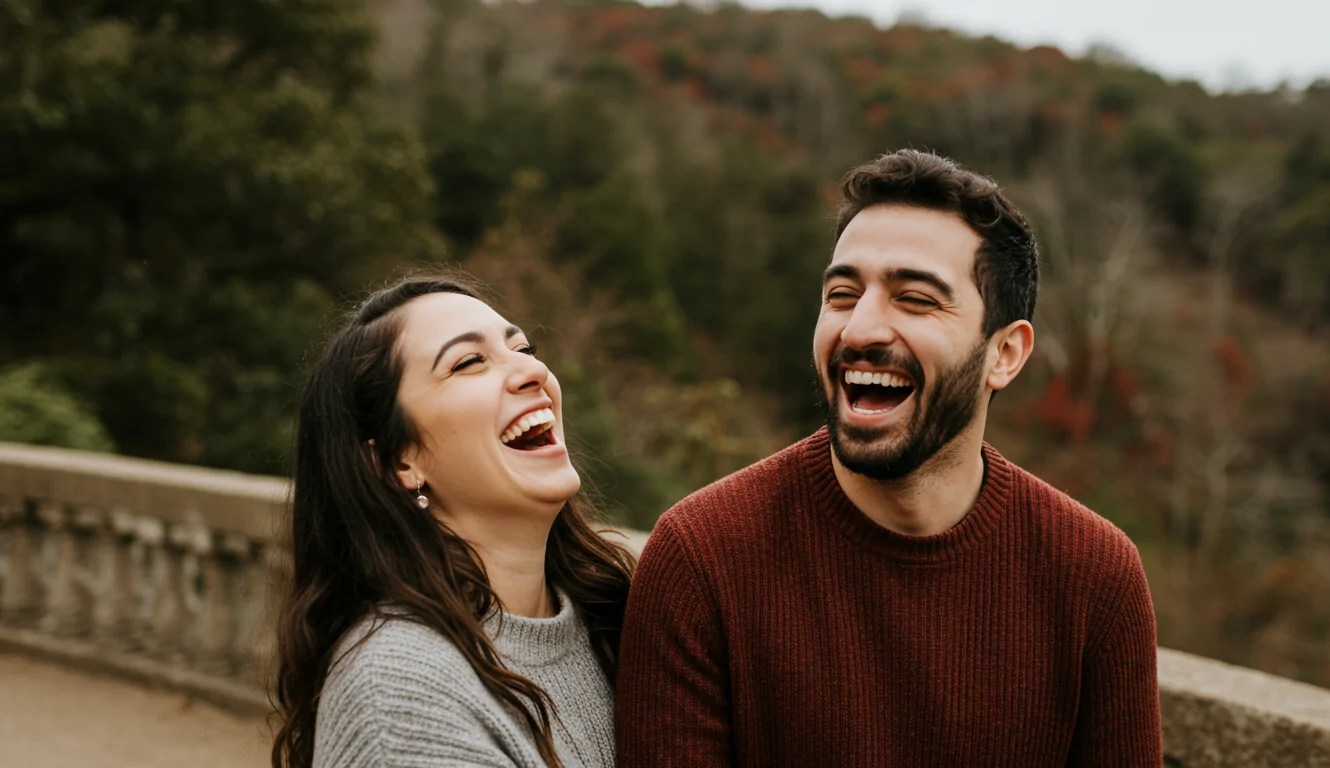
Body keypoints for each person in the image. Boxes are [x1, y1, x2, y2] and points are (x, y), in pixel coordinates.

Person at [615, 150, 1161, 767]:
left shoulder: (1096, 576)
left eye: (916, 299)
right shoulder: (702, 557)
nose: (859, 330)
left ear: (1004, 354)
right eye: (842, 294)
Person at [270, 275, 634, 768]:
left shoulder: (619, 622)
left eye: (523, 347)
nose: (531, 372)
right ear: (400, 462)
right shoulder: (400, 694)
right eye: (468, 362)